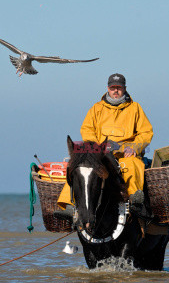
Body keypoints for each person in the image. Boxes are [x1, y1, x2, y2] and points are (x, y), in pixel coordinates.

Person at [54, 73, 153, 221]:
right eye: (113, 88)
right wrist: (97, 148)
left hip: (124, 155)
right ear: (108, 88)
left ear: (124, 89)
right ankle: (69, 206)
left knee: (132, 165)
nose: (116, 91)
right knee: (79, 169)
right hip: (100, 155)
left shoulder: (135, 108)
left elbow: (146, 132)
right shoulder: (96, 108)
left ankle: (134, 201)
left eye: (119, 88)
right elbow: (86, 129)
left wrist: (133, 148)